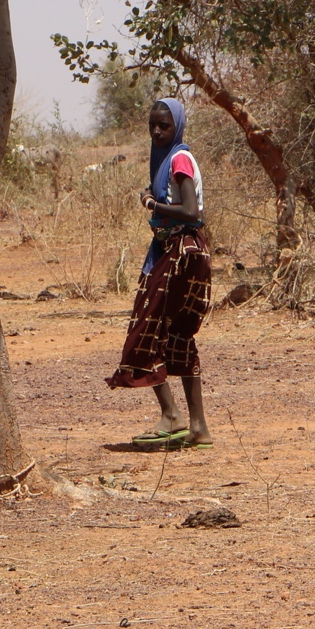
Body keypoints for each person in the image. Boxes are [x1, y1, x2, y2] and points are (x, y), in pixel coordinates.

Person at [108, 98, 214, 449]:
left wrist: (152, 204)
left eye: (164, 126)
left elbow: (190, 209)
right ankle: (197, 427)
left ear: (177, 127)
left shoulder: (180, 158)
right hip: (185, 251)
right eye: (152, 124)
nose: (157, 131)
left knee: (148, 328)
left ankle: (172, 415)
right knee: (178, 338)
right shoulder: (169, 159)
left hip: (180, 253)